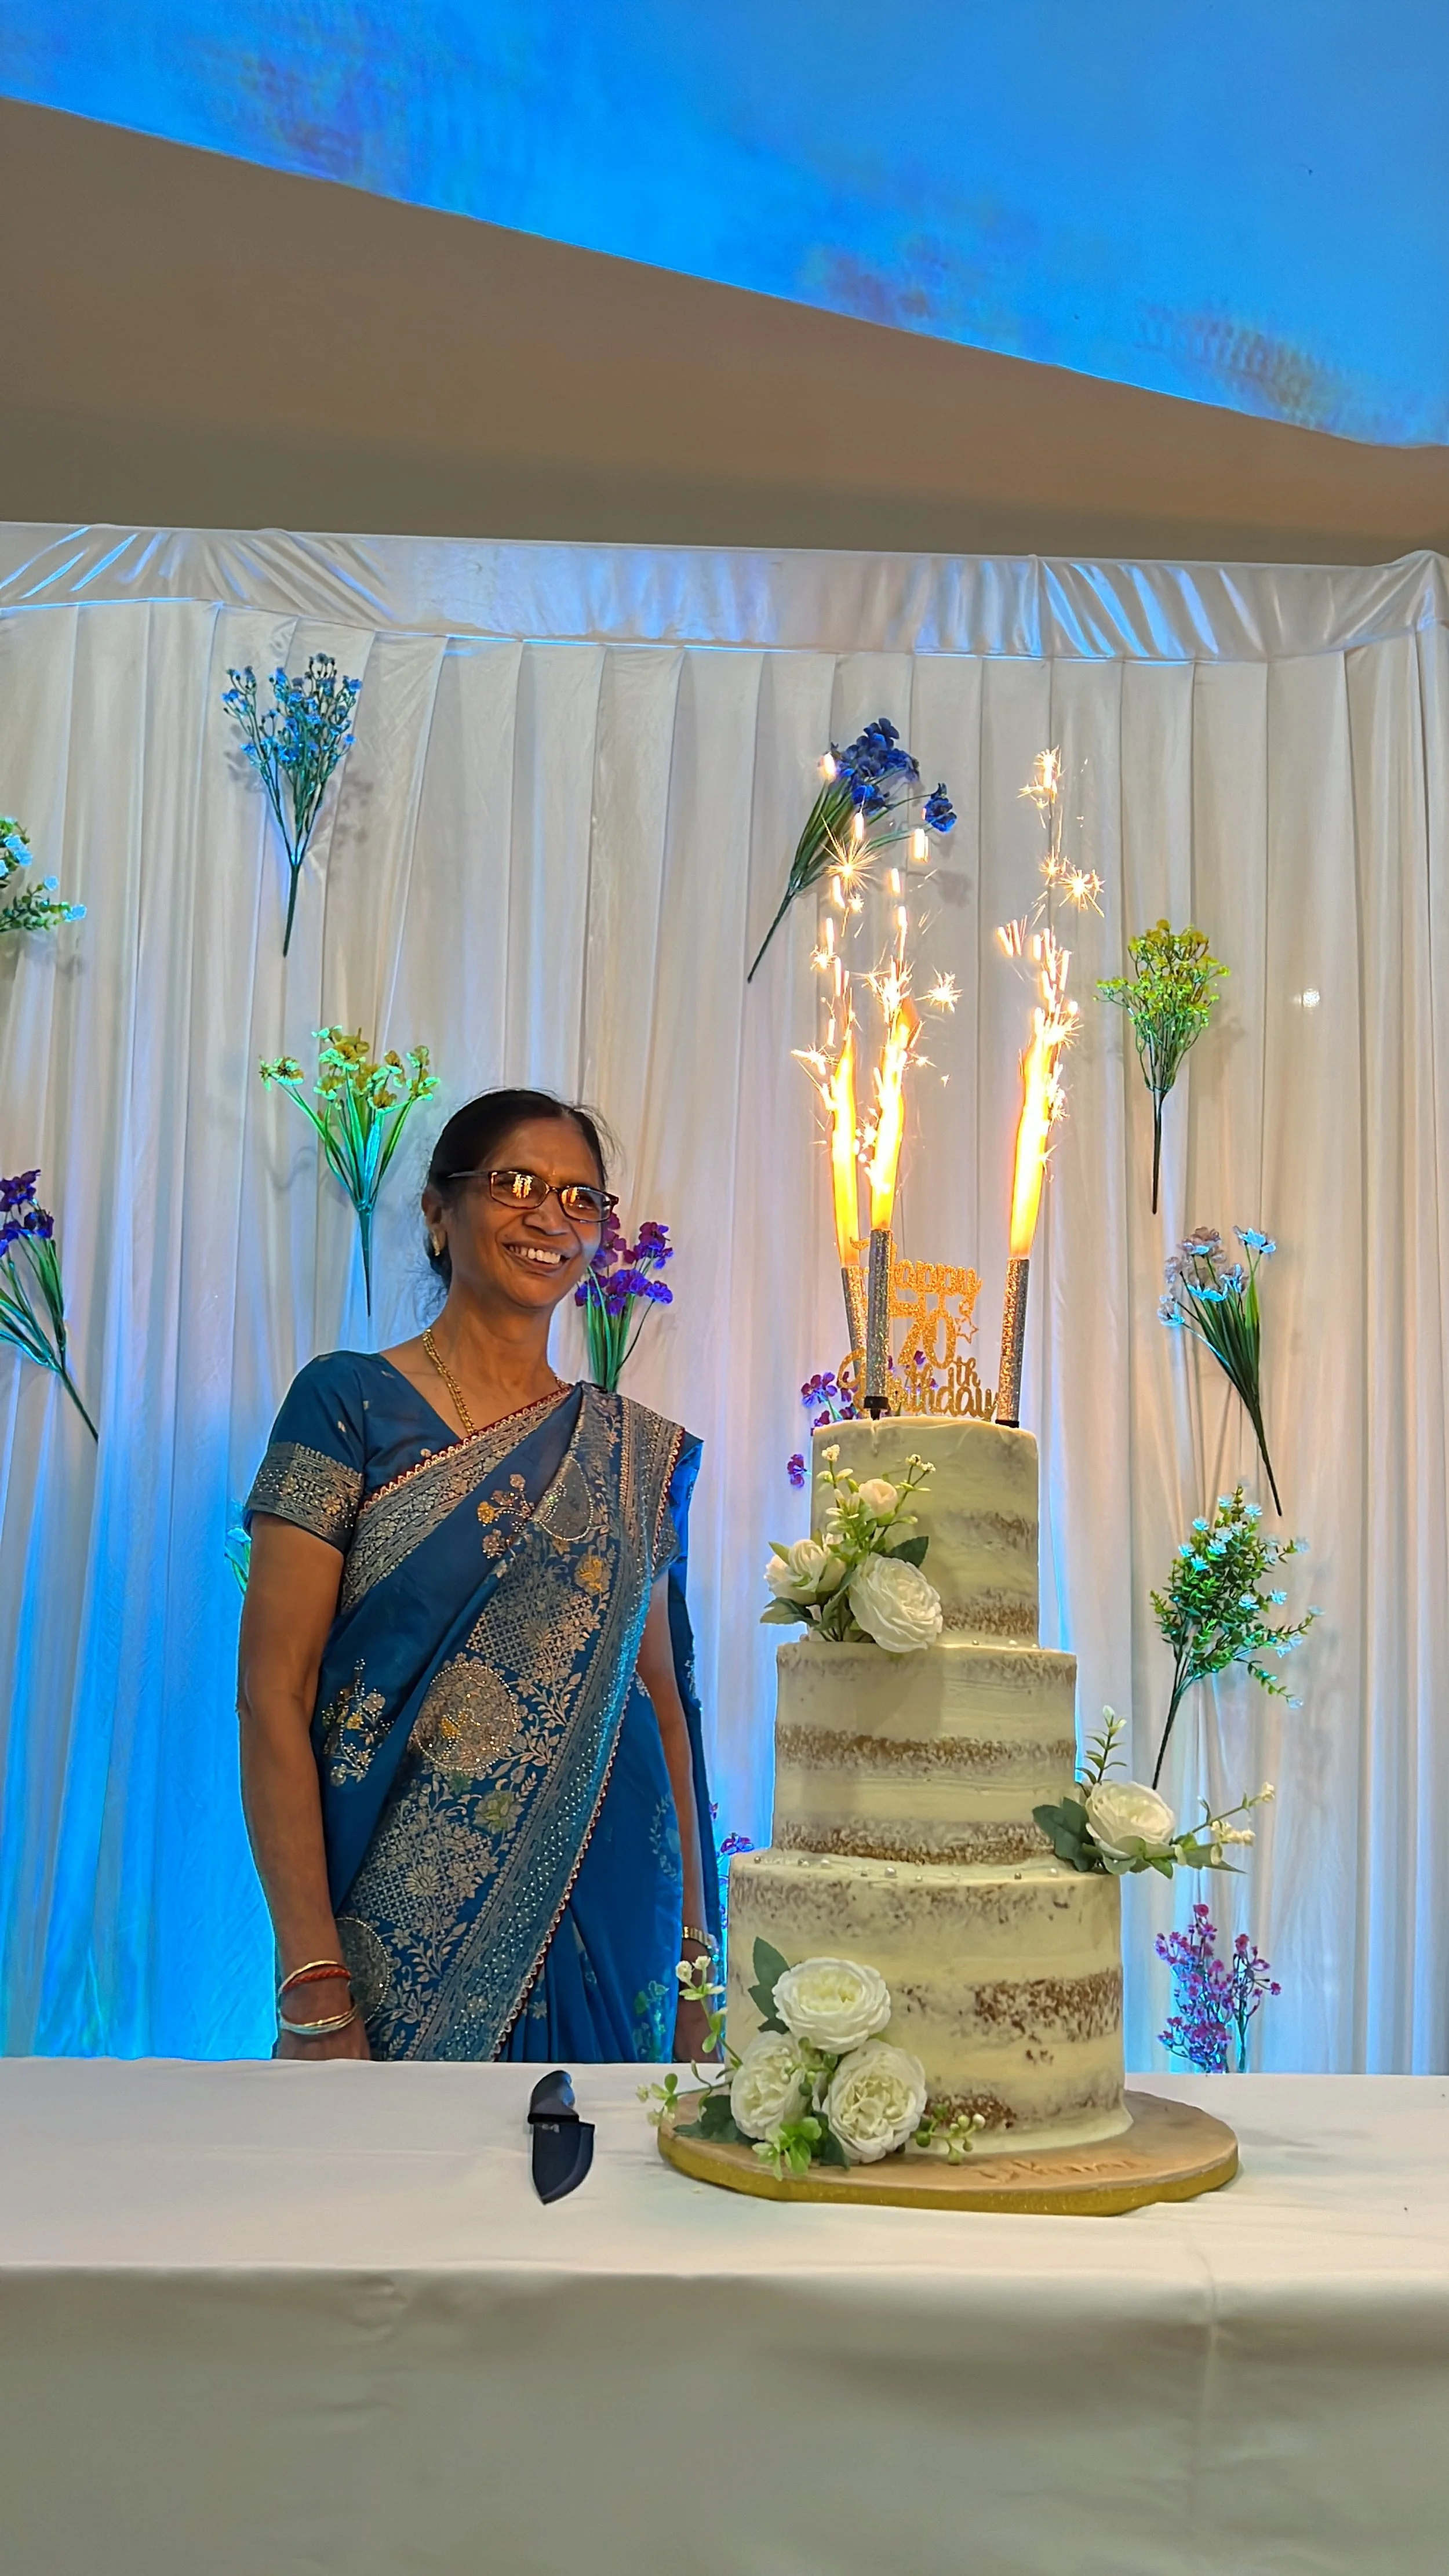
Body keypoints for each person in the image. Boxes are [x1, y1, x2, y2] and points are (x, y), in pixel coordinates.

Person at [238, 1087, 717, 2064]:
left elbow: (664, 1704)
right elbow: (270, 1693)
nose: (552, 1218)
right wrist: (311, 1976)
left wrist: (697, 1962)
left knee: (609, 2210)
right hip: (395, 1928)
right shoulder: (347, 1405)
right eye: (518, 1184)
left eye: (583, 1198)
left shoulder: (632, 1455)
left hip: (612, 1911)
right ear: (436, 1209)